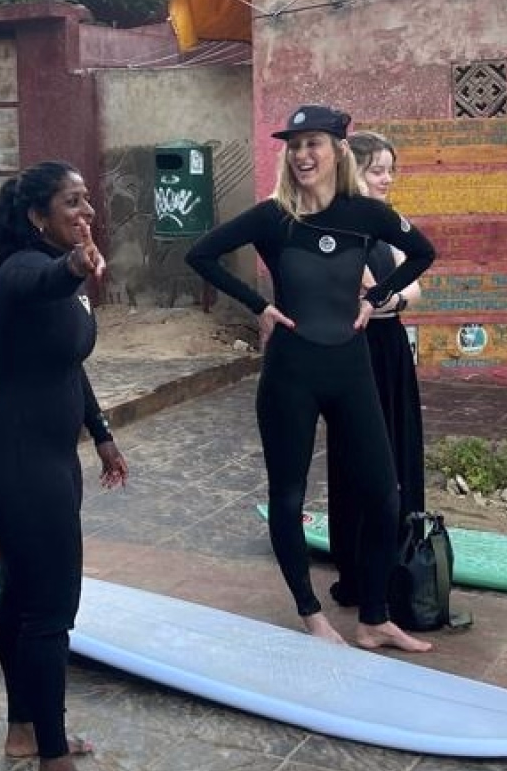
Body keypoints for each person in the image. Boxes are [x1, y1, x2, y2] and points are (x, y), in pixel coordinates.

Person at [186, 104, 437, 652]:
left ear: (337, 151)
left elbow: (423, 253)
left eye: (313, 143)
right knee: (288, 495)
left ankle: (373, 619)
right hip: (290, 375)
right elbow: (200, 253)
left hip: (351, 369)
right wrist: (259, 305)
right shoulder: (272, 217)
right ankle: (311, 614)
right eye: (294, 145)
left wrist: (376, 297)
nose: (302, 154)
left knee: (384, 494)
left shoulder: (363, 214)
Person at [0, 161, 128, 771]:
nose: (86, 209)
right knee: (50, 613)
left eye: (88, 199)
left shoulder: (60, 267)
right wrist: (74, 268)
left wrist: (101, 432)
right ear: (37, 216)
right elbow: (39, 284)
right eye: (72, 200)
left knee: (23, 597)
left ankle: (24, 731)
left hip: (46, 462)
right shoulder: (22, 271)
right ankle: (54, 770)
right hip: (16, 467)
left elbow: (68, 363)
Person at [325, 129, 426, 608]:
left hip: (390, 350)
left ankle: (398, 557)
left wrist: (391, 298)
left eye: (390, 169)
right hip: (355, 353)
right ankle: (361, 565)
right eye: (376, 170)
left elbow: (409, 291)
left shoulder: (389, 223)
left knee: (399, 449)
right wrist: (391, 298)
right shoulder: (344, 227)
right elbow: (362, 298)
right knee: (362, 458)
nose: (386, 178)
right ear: (354, 173)